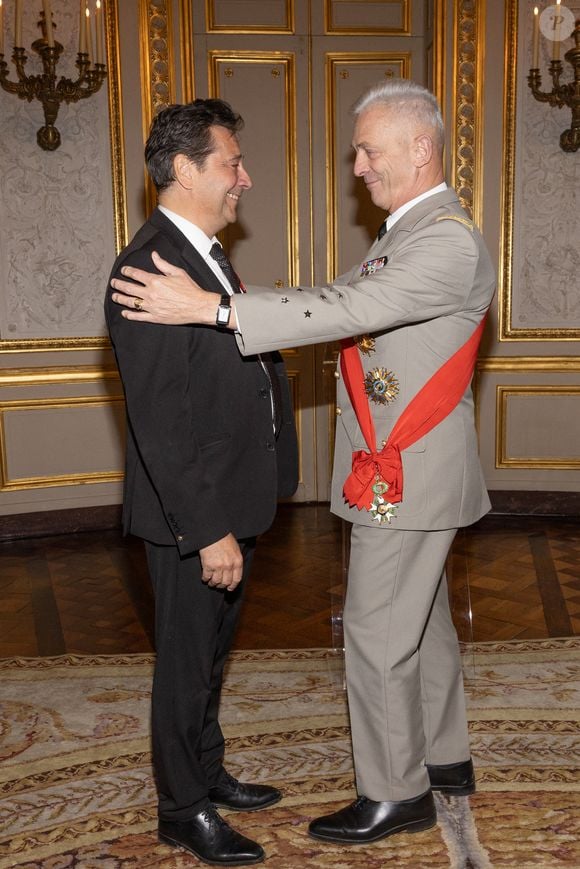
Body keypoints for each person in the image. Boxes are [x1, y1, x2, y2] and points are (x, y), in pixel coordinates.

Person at [110, 80, 495, 847]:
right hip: (404, 465)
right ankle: (445, 757)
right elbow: (337, 296)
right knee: (425, 623)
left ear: (421, 150)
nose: (357, 166)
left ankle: (397, 791)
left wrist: (216, 309)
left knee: (380, 631)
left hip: (407, 465)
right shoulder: (407, 232)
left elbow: (349, 310)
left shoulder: (443, 237)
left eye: (370, 150)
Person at [105, 99, 298, 867]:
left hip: (228, 498)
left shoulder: (202, 255)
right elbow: (162, 422)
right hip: (194, 515)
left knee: (213, 654)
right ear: (184, 171)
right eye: (231, 164)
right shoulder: (148, 268)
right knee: (185, 662)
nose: (244, 179)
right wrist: (208, 528)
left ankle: (207, 768)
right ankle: (181, 808)